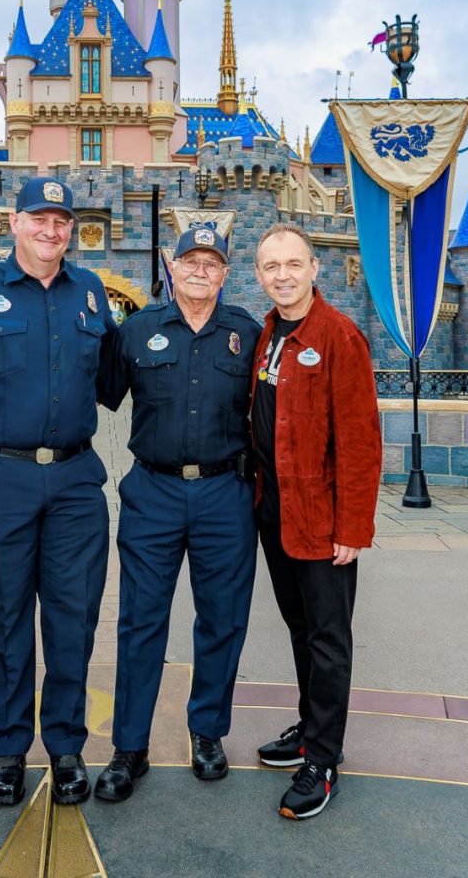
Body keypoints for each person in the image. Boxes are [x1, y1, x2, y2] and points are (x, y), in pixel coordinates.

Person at [0, 177, 115, 807]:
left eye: (61, 221)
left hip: (75, 480)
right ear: (14, 222)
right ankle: (8, 749)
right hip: (0, 478)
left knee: (72, 618)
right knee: (4, 617)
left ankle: (64, 747)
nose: (51, 230)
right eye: (39, 218)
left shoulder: (89, 293)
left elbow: (118, 371)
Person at [92, 227, 262, 803]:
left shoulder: (246, 332)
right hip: (154, 493)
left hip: (224, 494)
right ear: (171, 265)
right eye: (189, 260)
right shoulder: (137, 330)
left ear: (225, 273)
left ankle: (207, 733)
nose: (199, 270)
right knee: (140, 622)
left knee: (223, 620)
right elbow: (102, 393)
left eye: (211, 263)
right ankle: (129, 747)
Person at [248, 224, 382, 821]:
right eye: (271, 265)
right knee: (301, 630)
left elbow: (360, 441)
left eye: (293, 264)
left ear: (314, 269)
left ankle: (323, 758)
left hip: (323, 519)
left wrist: (353, 527)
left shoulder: (338, 336)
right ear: (259, 274)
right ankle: (309, 728)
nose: (283, 274)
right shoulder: (269, 333)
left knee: (328, 639)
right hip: (276, 514)